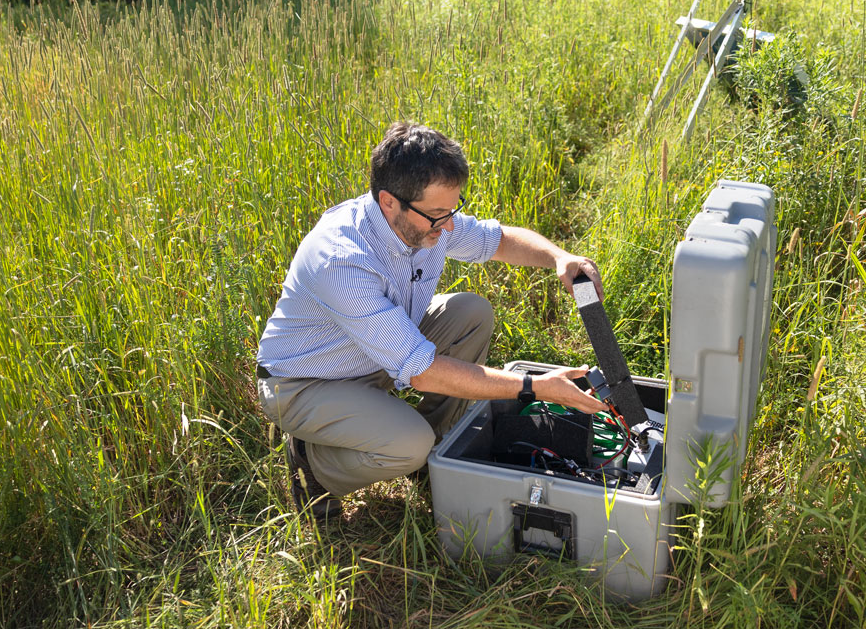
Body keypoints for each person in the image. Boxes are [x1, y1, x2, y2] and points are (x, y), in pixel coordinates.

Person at [255, 122, 609, 519]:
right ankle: (314, 463)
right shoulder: (341, 259)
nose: (451, 224)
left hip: (371, 354)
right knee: (408, 442)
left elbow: (499, 240)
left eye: (453, 209)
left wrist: (558, 257)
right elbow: (422, 371)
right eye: (439, 214)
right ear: (390, 202)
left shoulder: (426, 222)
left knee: (471, 313)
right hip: (306, 383)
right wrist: (533, 387)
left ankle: (432, 453)